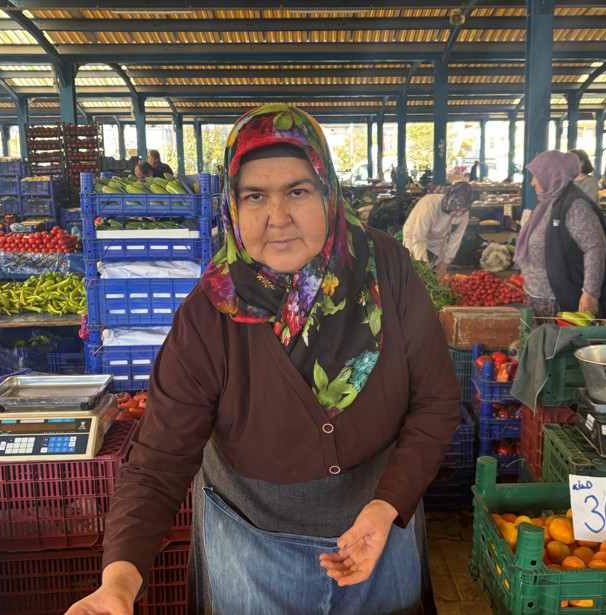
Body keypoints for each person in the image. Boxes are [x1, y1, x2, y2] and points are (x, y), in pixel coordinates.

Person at [65, 104, 460, 615]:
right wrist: (118, 581)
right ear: (233, 205)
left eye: (298, 190)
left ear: (328, 191)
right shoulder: (209, 314)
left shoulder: (385, 268)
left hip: (381, 524)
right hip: (249, 547)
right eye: (255, 196)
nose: (278, 218)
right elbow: (158, 460)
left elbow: (435, 400)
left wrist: (387, 505)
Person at [513, 150, 606, 319]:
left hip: (562, 302)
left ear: (551, 175)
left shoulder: (576, 205)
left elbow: (595, 247)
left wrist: (590, 292)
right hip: (541, 299)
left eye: (536, 176)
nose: (532, 183)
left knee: (562, 345)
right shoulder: (548, 202)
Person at [402, 181, 473, 277]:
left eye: (463, 211)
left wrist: (445, 262)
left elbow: (456, 237)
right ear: (450, 202)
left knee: (435, 273)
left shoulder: (463, 212)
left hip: (437, 241)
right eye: (457, 210)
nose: (459, 214)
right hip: (414, 237)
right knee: (416, 272)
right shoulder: (428, 206)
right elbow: (418, 239)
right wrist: (424, 267)